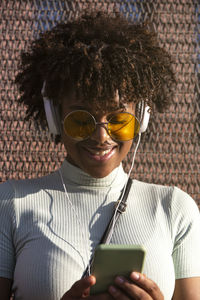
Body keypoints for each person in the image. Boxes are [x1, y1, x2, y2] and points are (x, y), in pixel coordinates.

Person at [0, 10, 200, 300]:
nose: (101, 136)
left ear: (141, 119)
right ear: (54, 118)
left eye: (119, 120)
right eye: (81, 120)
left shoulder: (174, 209)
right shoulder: (9, 205)